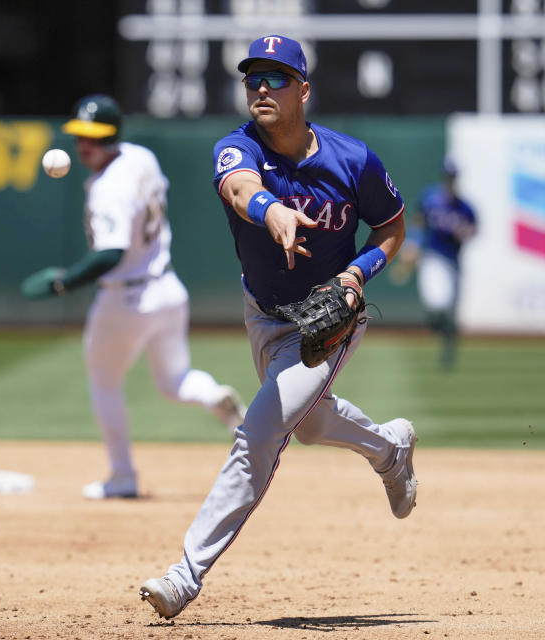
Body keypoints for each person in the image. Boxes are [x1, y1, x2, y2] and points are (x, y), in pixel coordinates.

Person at [139, 35, 418, 620]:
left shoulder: (353, 159)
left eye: (277, 78)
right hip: (265, 313)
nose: (261, 89)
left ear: (304, 90)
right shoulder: (235, 147)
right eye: (253, 79)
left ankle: (184, 574)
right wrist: (272, 210)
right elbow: (241, 189)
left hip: (330, 316)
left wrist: (356, 275)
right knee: (312, 426)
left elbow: (392, 228)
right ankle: (389, 449)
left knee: (260, 431)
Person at [21, 94, 247, 500]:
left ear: (110, 136)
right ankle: (214, 395)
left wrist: (63, 282)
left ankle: (123, 476)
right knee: (174, 381)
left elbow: (111, 253)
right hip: (167, 290)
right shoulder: (140, 157)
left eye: (92, 137)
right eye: (79, 137)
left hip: (125, 301)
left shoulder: (109, 188)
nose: (82, 145)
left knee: (104, 385)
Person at [399, 157, 477, 369]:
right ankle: (439, 329)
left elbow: (473, 229)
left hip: (453, 261)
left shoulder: (464, 207)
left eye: (453, 176)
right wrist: (411, 246)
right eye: (448, 176)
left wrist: (465, 232)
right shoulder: (430, 199)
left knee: (450, 310)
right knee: (436, 303)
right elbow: (418, 223)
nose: (450, 180)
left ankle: (448, 352)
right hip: (432, 258)